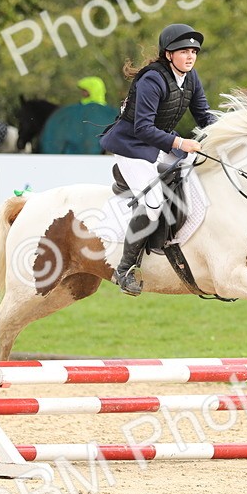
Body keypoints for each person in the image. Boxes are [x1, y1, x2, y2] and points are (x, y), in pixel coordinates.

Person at [99, 23, 216, 296]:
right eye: (183, 51)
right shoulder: (152, 80)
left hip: (159, 143)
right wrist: (181, 143)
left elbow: (204, 116)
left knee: (196, 174)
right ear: (168, 54)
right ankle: (125, 269)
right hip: (132, 146)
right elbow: (143, 128)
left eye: (193, 52)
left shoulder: (191, 78)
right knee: (152, 203)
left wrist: (228, 133)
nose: (190, 56)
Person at [37, 76, 118, 154]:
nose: (83, 93)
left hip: (74, 159)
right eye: (83, 90)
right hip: (95, 159)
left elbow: (51, 141)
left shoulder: (68, 113)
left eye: (85, 90)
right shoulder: (113, 113)